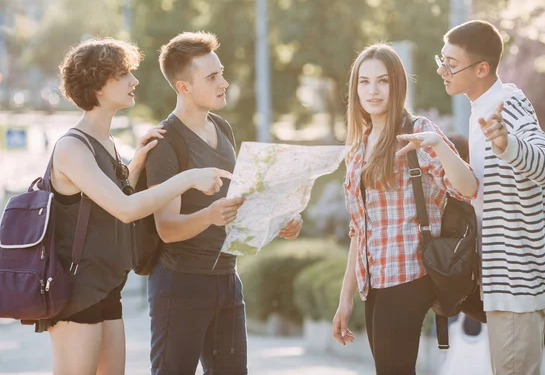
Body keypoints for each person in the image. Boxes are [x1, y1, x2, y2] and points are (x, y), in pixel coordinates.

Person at [46, 38, 231, 375]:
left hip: (105, 286)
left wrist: (133, 166)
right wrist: (188, 177)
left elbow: (104, 198)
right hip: (75, 289)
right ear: (98, 85)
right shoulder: (72, 147)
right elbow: (126, 208)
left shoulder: (106, 143)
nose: (134, 82)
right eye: (123, 75)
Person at [145, 31, 303, 375]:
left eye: (221, 73)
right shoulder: (165, 143)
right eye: (213, 77)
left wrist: (278, 222)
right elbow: (167, 229)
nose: (224, 82)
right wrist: (209, 216)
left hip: (227, 280)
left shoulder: (222, 128)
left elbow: (234, 208)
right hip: (180, 284)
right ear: (184, 87)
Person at [331, 43, 478, 374]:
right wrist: (345, 298)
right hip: (376, 281)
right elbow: (360, 230)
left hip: (410, 273)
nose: (373, 90)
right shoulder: (358, 147)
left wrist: (439, 145)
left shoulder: (417, 131)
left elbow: (468, 188)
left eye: (382, 81)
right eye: (364, 82)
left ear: (396, 84)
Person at [437, 20, 545, 375]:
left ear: (482, 69)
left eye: (451, 63)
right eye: (441, 60)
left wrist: (508, 144)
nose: (442, 70)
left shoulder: (506, 105)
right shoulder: (483, 106)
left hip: (515, 285)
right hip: (514, 279)